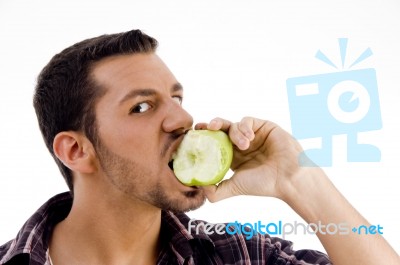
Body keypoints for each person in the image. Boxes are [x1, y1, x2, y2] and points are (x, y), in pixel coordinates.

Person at [0, 29, 398, 265]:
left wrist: (298, 179)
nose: (182, 120)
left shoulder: (239, 255)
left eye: (178, 98)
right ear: (75, 150)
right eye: (141, 107)